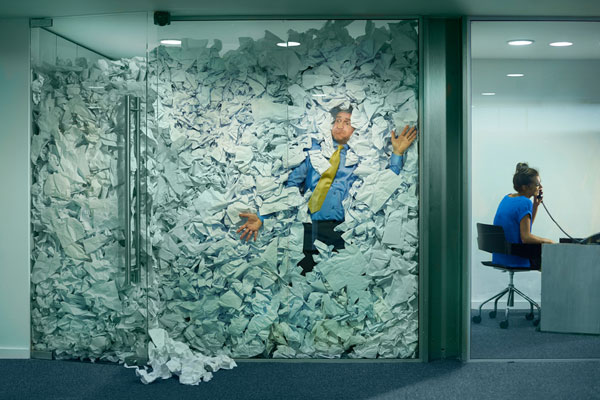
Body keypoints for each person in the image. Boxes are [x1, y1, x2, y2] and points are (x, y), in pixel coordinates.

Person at [237, 106, 418, 274]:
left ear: (357, 128)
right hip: (310, 228)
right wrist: (263, 216)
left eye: (347, 123)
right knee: (305, 279)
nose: (340, 125)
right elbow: (290, 189)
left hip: (345, 230)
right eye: (337, 120)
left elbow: (382, 186)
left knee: (342, 285)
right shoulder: (312, 155)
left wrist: (397, 153)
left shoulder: (362, 160)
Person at [492, 162, 554, 269]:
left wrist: (535, 206)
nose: (540, 187)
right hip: (514, 256)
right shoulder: (525, 202)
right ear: (526, 187)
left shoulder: (507, 198)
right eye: (537, 184)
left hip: (500, 256)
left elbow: (526, 228)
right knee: (552, 255)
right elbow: (526, 237)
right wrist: (550, 241)